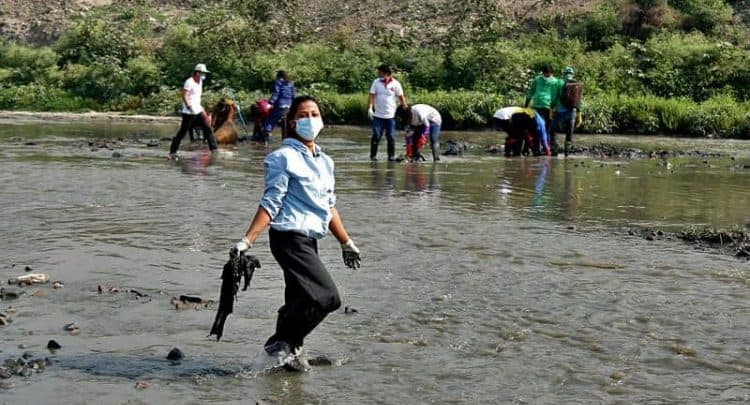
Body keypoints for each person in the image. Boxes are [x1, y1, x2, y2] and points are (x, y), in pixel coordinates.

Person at [232, 95, 362, 372]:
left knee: (300, 299)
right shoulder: (282, 158)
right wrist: (248, 240)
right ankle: (279, 343)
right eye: (304, 115)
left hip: (310, 240)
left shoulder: (325, 162)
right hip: (288, 239)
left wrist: (346, 241)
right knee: (327, 297)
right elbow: (271, 201)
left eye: (315, 114)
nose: (310, 120)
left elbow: (329, 206)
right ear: (292, 122)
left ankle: (290, 354)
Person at [169, 63, 217, 159]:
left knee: (207, 128)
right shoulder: (189, 82)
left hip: (198, 110)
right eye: (203, 73)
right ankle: (172, 152)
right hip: (189, 112)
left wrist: (202, 109)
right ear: (197, 73)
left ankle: (214, 150)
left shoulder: (200, 82)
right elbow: (184, 95)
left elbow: (197, 98)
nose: (204, 75)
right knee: (182, 133)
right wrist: (188, 106)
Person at [368, 64, 407, 161]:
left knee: (391, 137)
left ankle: (391, 157)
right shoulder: (376, 82)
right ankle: (373, 156)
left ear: (386, 73)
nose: (378, 74)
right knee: (376, 136)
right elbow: (372, 95)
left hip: (391, 116)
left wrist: (405, 107)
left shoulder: (396, 84)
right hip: (378, 115)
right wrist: (370, 108)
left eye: (380, 72)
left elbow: (401, 97)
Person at [524, 64, 560, 155]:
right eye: (545, 74)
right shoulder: (537, 80)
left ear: (551, 73)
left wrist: (555, 107)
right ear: (542, 73)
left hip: (549, 107)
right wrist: (526, 105)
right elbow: (531, 92)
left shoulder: (556, 82)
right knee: (537, 127)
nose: (546, 76)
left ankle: (549, 148)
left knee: (549, 128)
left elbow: (557, 96)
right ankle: (537, 149)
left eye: (548, 74)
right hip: (537, 106)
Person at [552, 66, 583, 157]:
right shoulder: (577, 84)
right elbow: (578, 100)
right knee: (569, 131)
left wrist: (552, 108)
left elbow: (555, 96)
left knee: (553, 129)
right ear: (572, 75)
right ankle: (567, 152)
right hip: (572, 111)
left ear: (564, 73)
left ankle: (555, 149)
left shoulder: (559, 82)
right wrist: (579, 115)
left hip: (560, 110)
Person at [262, 70, 296, 145]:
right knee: (285, 122)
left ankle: (267, 135)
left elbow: (276, 94)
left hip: (280, 105)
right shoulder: (291, 83)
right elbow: (293, 95)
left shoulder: (278, 82)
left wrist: (270, 103)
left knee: (271, 118)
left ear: (279, 75)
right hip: (288, 106)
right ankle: (285, 139)